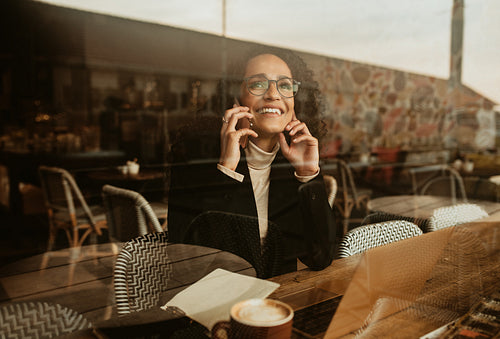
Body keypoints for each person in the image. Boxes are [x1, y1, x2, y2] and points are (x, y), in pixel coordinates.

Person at [167, 47, 338, 276]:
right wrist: (226, 170)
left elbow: (320, 257)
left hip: (276, 303)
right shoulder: (196, 159)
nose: (273, 95)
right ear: (235, 99)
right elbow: (192, 264)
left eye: (285, 85)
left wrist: (307, 174)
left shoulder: (291, 164)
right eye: (258, 84)